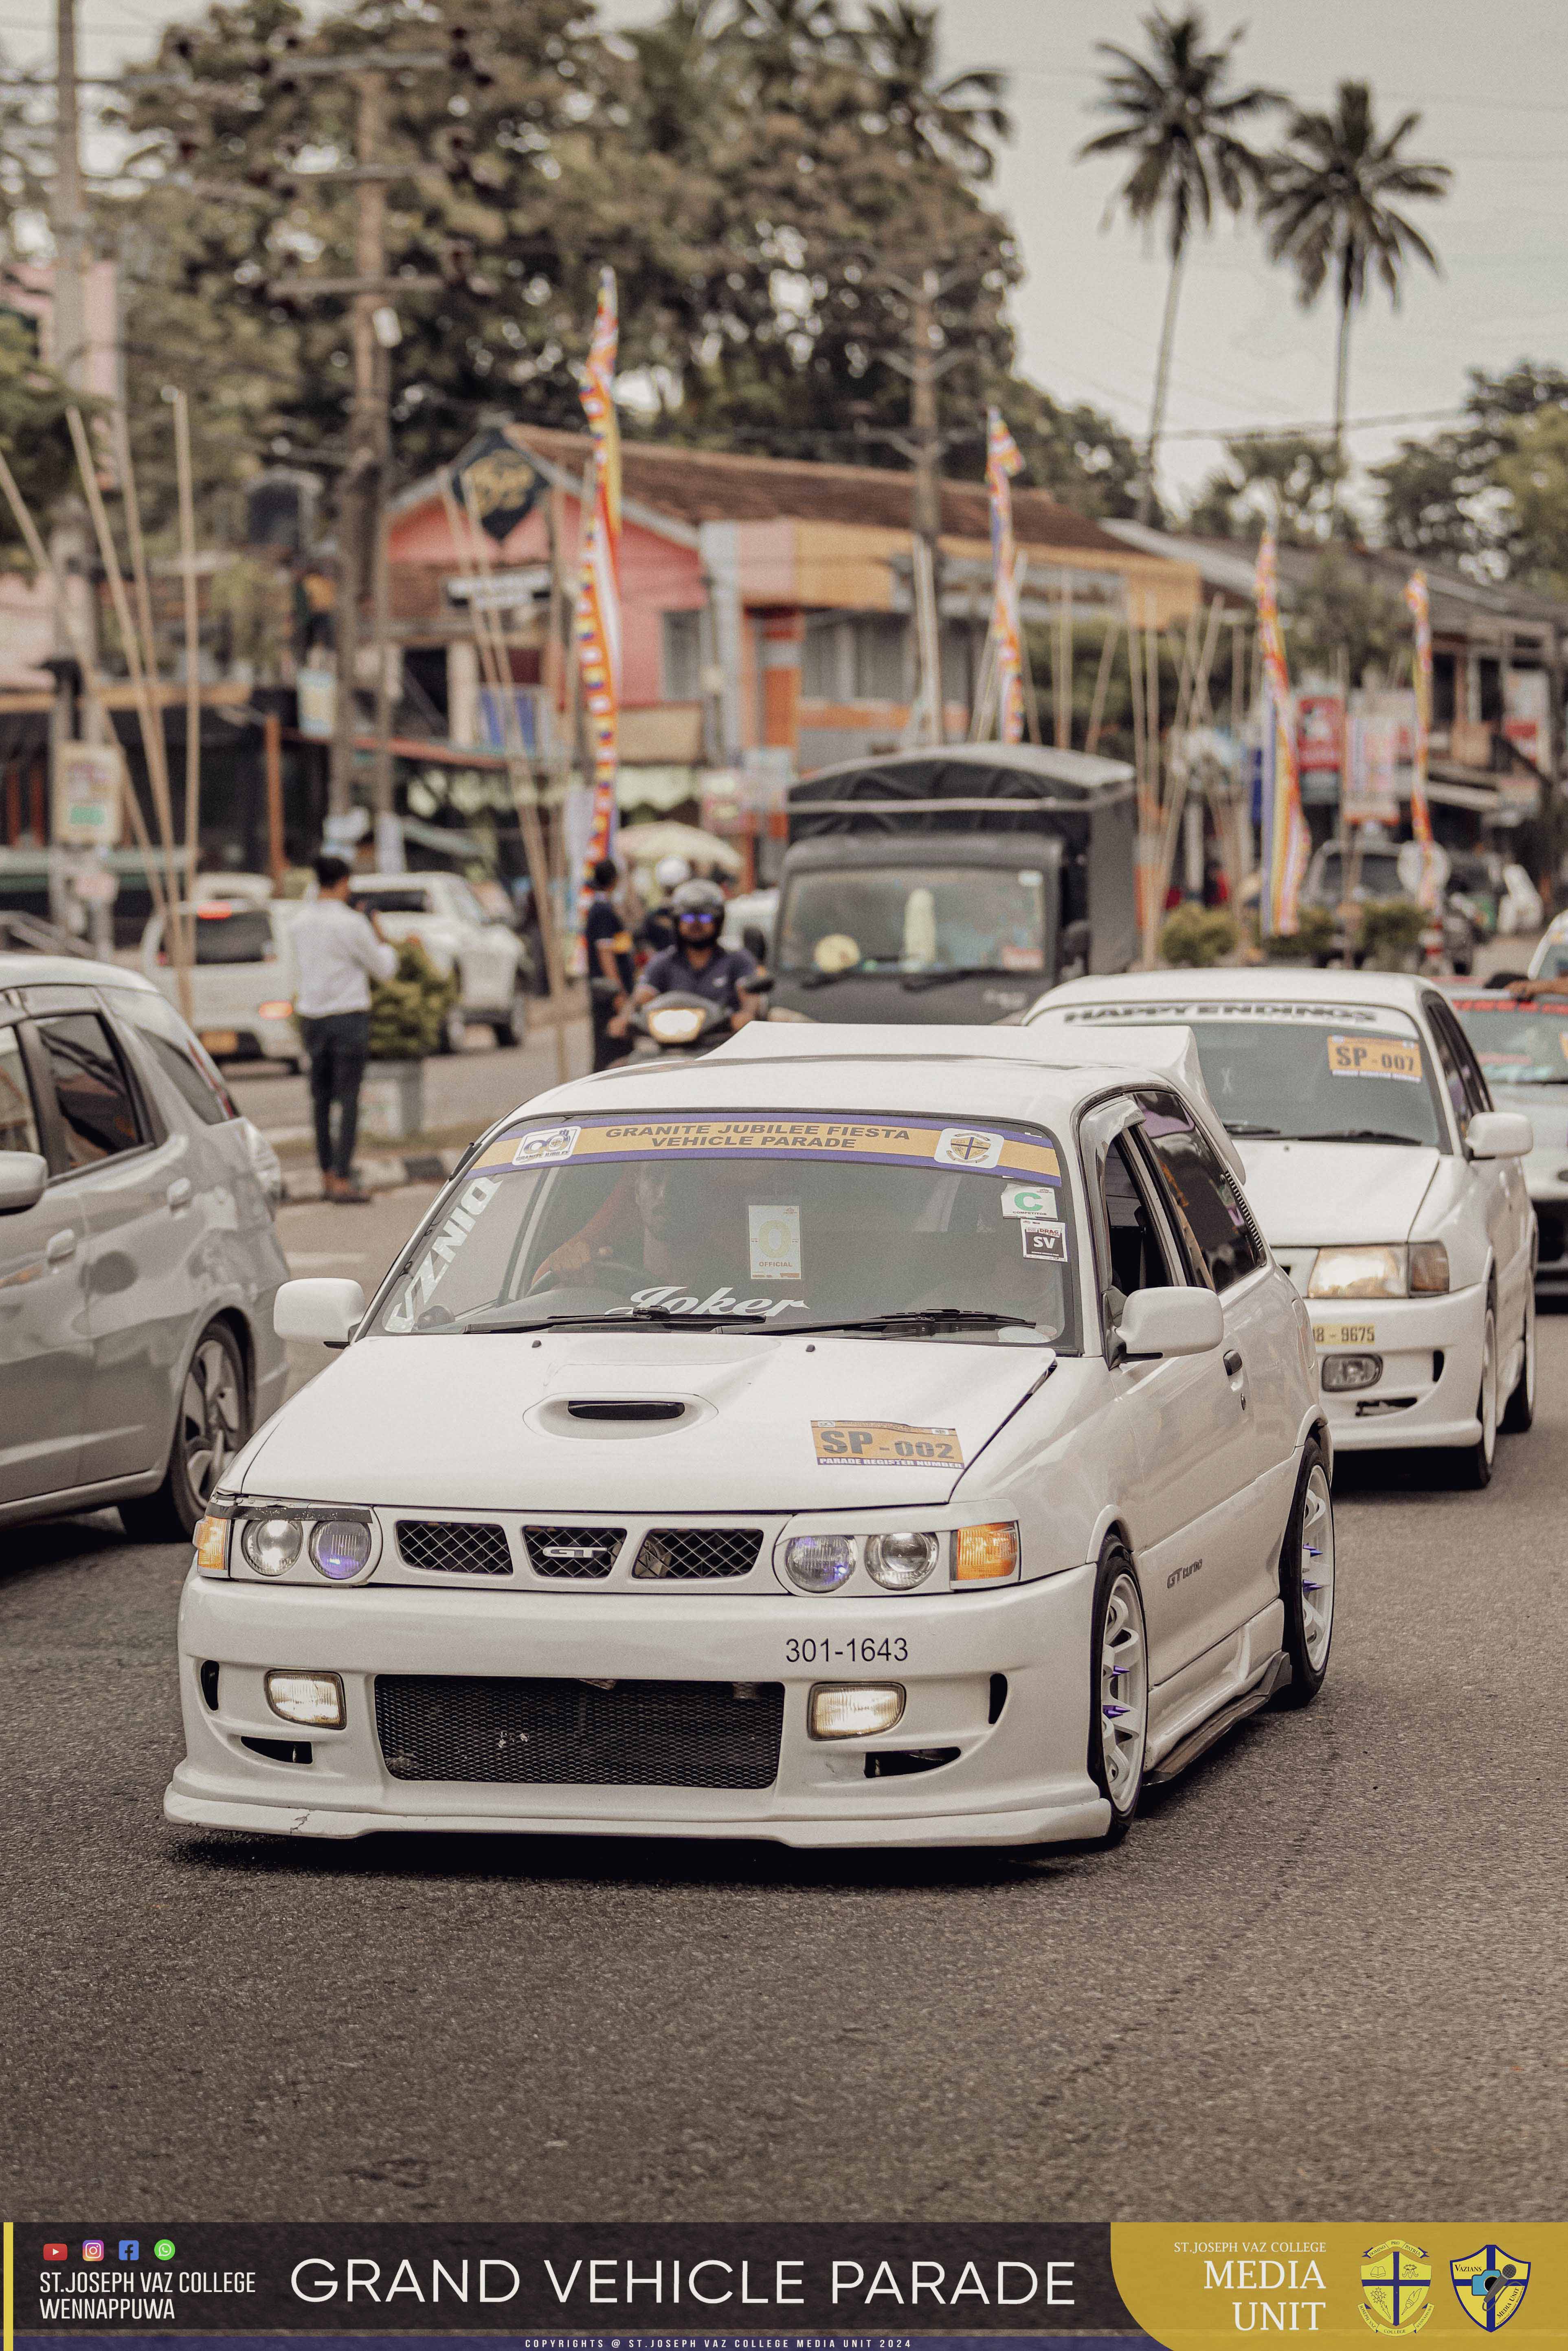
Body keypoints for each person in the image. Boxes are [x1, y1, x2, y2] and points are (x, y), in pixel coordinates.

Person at [291, 853, 396, 1202]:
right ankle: (342, 1176)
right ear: (344, 883)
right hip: (348, 1019)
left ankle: (325, 1174)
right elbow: (384, 969)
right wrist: (379, 930)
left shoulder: (298, 923)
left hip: (312, 1019)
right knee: (349, 1099)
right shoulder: (352, 924)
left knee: (320, 1100)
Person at [626, 878, 762, 1033]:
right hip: (670, 1046)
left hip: (724, 1043)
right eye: (688, 918)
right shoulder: (663, 963)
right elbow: (642, 997)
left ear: (719, 922)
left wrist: (747, 1015)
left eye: (705, 918)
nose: (696, 924)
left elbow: (750, 996)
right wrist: (625, 1018)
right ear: (677, 922)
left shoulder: (738, 960)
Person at [582, 856, 636, 1072]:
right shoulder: (603, 911)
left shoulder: (604, 907)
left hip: (607, 992)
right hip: (608, 995)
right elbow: (606, 954)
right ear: (615, 880)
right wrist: (618, 994)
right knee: (612, 1050)